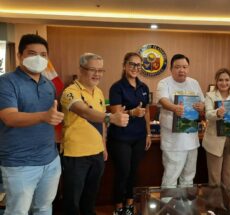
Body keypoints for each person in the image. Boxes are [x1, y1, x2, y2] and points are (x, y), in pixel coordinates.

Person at [0, 34, 64, 215]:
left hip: (50, 160)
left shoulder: (48, 85)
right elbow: (9, 117)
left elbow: (52, 117)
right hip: (20, 163)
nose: (38, 58)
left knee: (44, 208)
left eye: (43, 55)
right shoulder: (6, 82)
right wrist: (44, 116)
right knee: (18, 211)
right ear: (20, 55)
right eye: (32, 53)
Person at [60, 53, 129, 215]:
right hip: (75, 154)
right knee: (72, 200)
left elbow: (101, 122)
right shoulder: (70, 92)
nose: (97, 74)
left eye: (100, 70)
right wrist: (111, 117)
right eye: (92, 69)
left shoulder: (98, 92)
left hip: (97, 153)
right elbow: (84, 112)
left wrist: (103, 146)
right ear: (81, 69)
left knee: (90, 198)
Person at [107, 52, 151, 215]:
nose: (135, 68)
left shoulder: (144, 87)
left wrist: (148, 134)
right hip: (121, 138)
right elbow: (116, 113)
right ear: (124, 65)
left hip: (139, 137)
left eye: (138, 65)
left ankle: (130, 204)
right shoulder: (117, 87)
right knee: (123, 172)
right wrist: (132, 113)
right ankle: (118, 206)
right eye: (132, 64)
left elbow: (146, 112)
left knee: (134, 171)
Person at [156, 54, 205, 187]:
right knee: (171, 176)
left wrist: (202, 106)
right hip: (173, 140)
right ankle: (168, 205)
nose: (181, 70)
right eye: (177, 67)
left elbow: (202, 102)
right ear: (171, 69)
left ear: (188, 68)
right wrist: (174, 108)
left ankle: (185, 205)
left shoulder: (194, 83)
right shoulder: (164, 83)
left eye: (184, 67)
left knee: (189, 176)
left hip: (191, 138)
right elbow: (162, 100)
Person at [202, 68, 230, 191]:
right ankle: (215, 206)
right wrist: (218, 113)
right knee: (215, 178)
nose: (224, 83)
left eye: (227, 80)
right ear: (216, 81)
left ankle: (226, 205)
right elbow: (208, 115)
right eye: (220, 80)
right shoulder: (210, 95)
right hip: (214, 141)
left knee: (227, 176)